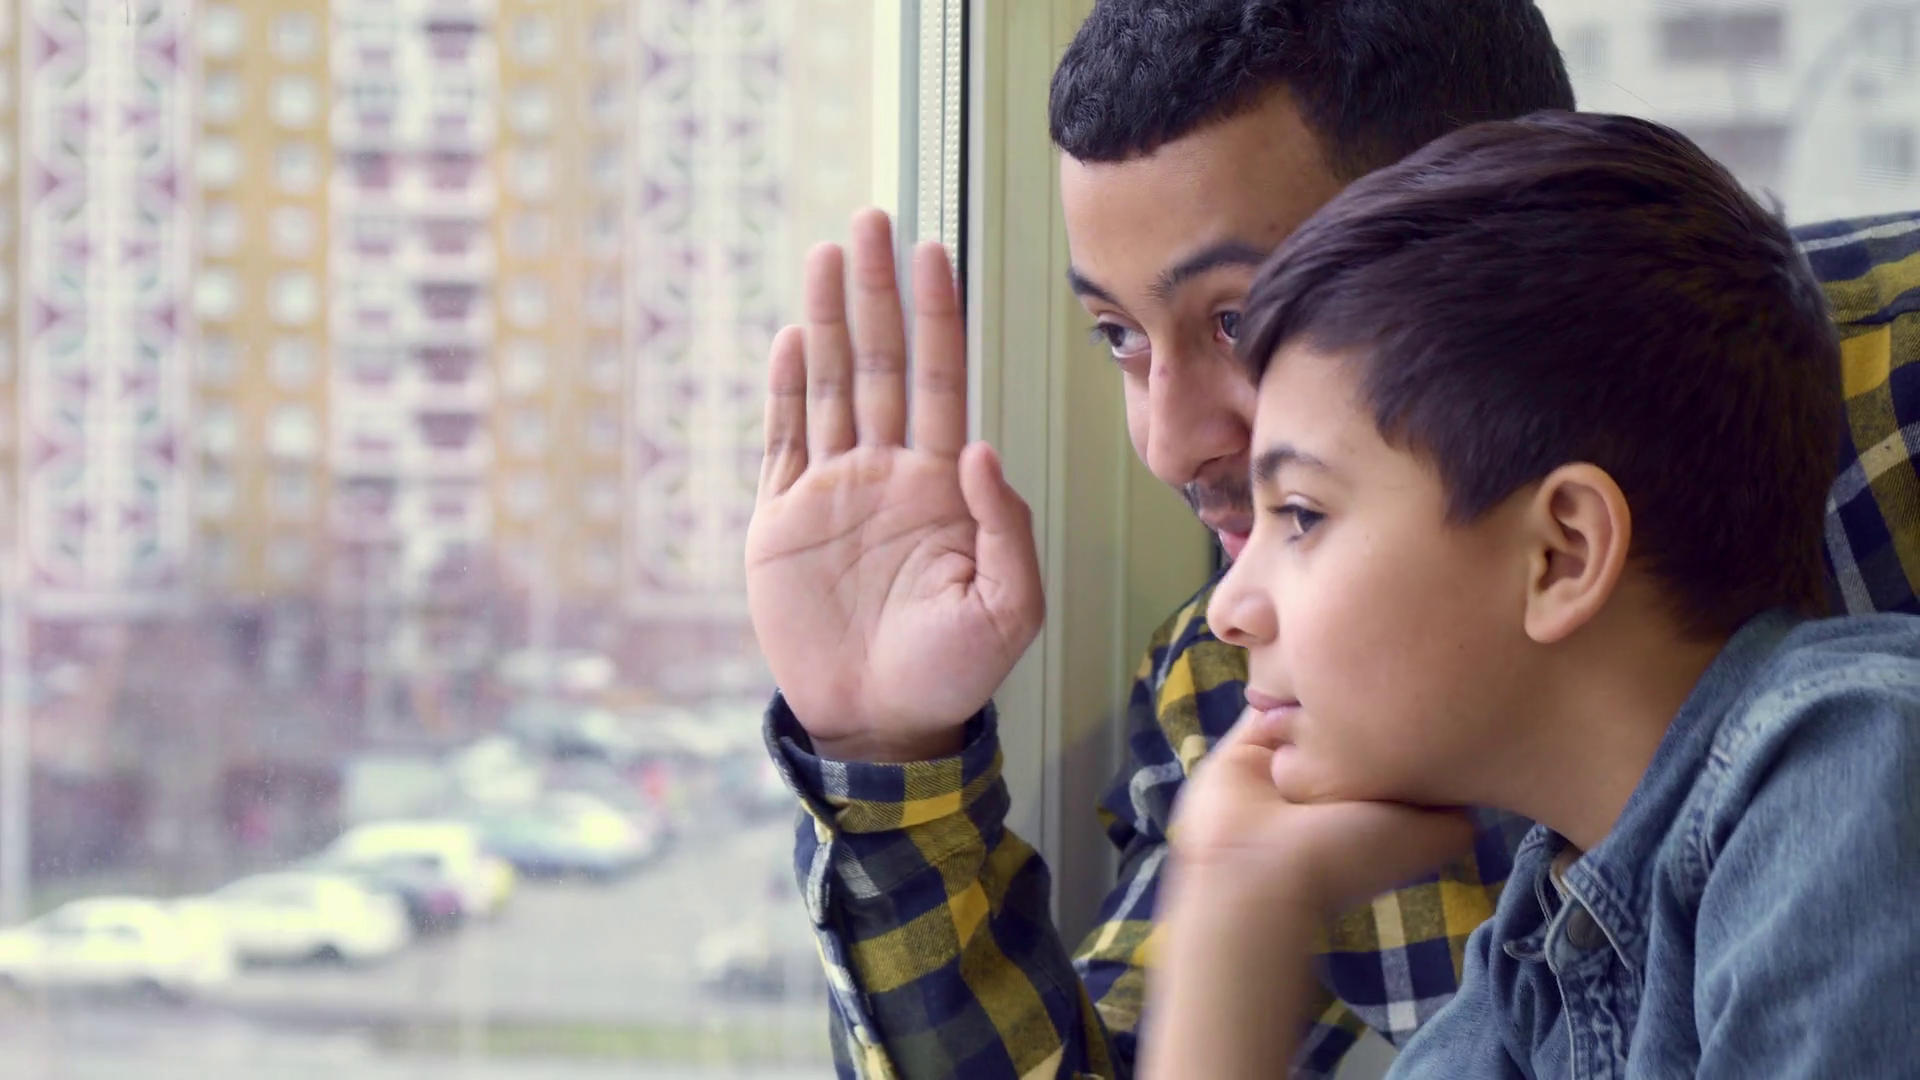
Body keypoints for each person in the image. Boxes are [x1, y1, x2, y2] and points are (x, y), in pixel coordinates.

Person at [747, 2, 1920, 1077]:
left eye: (1240, 317)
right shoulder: (1273, 722)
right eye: (1117, 333)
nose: (1165, 442)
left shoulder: (1849, 761)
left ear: (1481, 212)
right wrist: (886, 744)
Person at [1143, 108, 1920, 1079]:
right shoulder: (1547, 940)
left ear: (1560, 554)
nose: (1229, 610)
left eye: (1301, 516)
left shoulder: (1853, 773)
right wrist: (1235, 897)